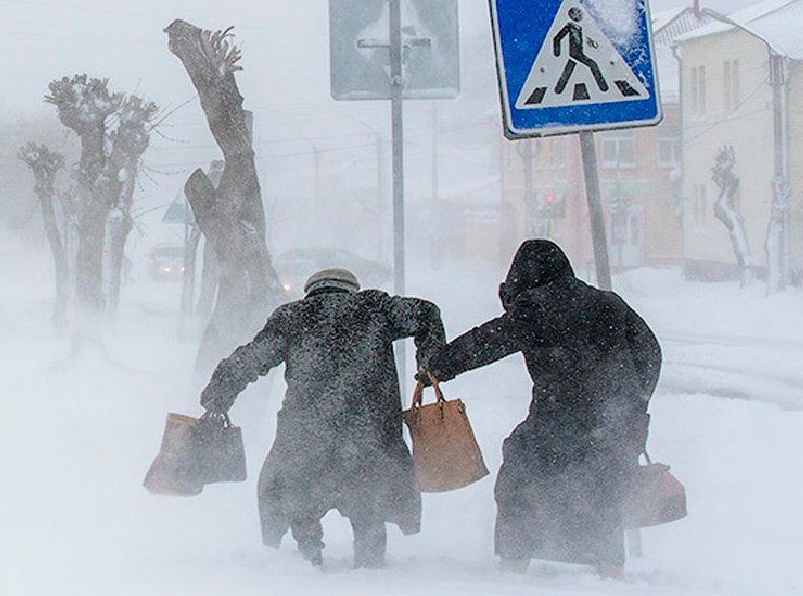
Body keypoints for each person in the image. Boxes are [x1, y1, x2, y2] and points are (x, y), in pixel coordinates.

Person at [419, 239, 661, 578]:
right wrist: (632, 402)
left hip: (558, 418)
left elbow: (488, 341)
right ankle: (610, 574)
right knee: (603, 489)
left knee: (520, 477)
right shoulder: (609, 303)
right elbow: (651, 352)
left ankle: (514, 567)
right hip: (611, 424)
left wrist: (439, 365)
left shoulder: (537, 306)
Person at [200, 267, 445, 568]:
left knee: (299, 502)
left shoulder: (293, 316)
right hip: (368, 437)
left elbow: (251, 358)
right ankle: (372, 574)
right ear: (351, 289)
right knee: (368, 511)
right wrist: (430, 363)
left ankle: (309, 563)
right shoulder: (376, 309)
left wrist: (218, 395)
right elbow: (427, 312)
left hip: (307, 436)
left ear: (311, 291)